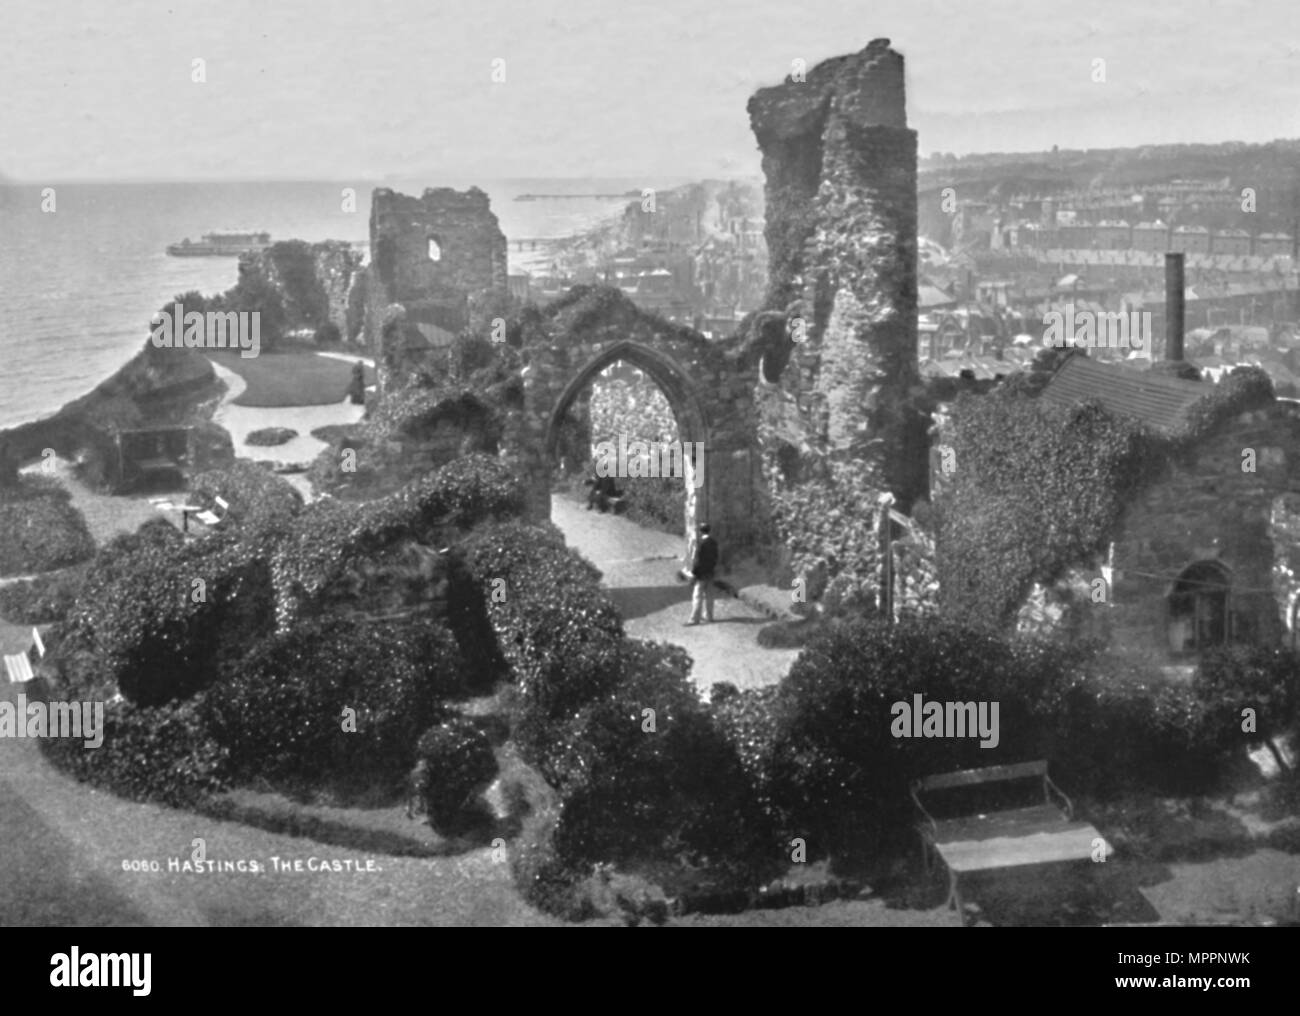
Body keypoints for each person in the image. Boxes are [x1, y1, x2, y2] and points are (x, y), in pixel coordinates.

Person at [685, 522, 719, 625]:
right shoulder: (714, 542)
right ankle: (709, 616)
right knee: (709, 596)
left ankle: (695, 619)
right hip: (710, 572)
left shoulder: (700, 544)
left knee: (697, 596)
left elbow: (698, 560)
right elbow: (716, 558)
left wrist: (694, 573)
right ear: (709, 530)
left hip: (701, 574)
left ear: (700, 531)